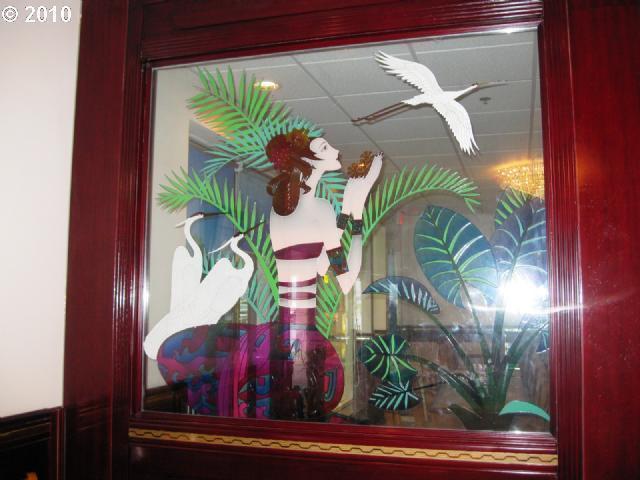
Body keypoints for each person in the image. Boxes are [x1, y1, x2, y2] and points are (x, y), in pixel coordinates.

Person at [264, 129, 382, 419]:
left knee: (286, 418)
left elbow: (319, 263)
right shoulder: (320, 209)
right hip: (305, 336)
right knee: (306, 416)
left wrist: (346, 211)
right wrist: (357, 215)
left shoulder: (279, 212)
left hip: (285, 334)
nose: (335, 151)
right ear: (308, 161)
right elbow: (346, 278)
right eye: (324, 148)